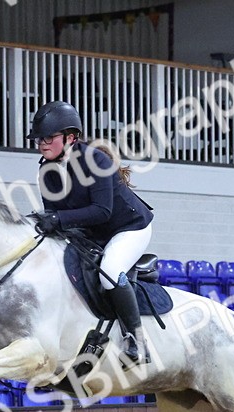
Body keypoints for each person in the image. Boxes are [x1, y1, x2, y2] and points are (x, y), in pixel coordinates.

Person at [27, 101, 155, 367]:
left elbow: (102, 211)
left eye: (49, 137)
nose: (42, 143)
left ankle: (137, 341)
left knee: (109, 271)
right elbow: (56, 217)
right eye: (39, 139)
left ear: (71, 137)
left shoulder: (95, 160)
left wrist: (58, 219)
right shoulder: (45, 170)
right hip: (93, 233)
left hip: (129, 227)